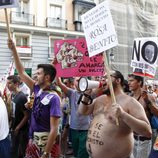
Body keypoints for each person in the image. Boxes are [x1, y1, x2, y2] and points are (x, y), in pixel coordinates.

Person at [78, 70, 152, 158]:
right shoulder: (100, 99)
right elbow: (83, 111)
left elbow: (147, 131)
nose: (102, 80)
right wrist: (86, 96)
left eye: (106, 77)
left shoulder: (130, 102)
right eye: (102, 77)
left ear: (118, 80)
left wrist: (123, 115)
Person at [8, 39, 61, 158]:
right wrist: (14, 50)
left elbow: (54, 129)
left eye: (39, 74)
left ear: (47, 77)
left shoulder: (54, 98)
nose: (35, 76)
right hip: (33, 141)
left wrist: (47, 152)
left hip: (47, 145)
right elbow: (21, 72)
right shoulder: (37, 89)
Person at [56, 77, 90, 158]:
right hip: (74, 128)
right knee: (76, 153)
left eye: (82, 80)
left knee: (82, 154)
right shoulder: (72, 93)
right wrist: (56, 68)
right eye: (77, 80)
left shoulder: (89, 92)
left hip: (86, 129)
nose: (80, 82)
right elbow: (59, 83)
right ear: (74, 82)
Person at [128, 74, 158, 158]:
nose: (129, 83)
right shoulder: (130, 97)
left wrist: (147, 101)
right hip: (132, 138)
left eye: (131, 81)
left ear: (139, 82)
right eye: (128, 81)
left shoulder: (149, 96)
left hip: (145, 140)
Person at [7, 75, 29, 158]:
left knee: (20, 152)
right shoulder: (12, 95)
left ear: (16, 84)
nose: (7, 85)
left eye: (9, 83)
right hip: (14, 127)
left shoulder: (22, 97)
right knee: (14, 150)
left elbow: (27, 115)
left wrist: (18, 128)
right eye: (7, 83)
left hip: (21, 131)